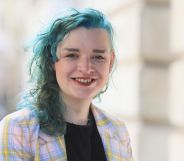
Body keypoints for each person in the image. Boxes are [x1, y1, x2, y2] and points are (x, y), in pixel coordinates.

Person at [0, 8, 133, 161]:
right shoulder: (18, 129)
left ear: (111, 62)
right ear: (52, 61)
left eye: (98, 57)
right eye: (72, 55)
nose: (86, 68)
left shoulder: (118, 131)